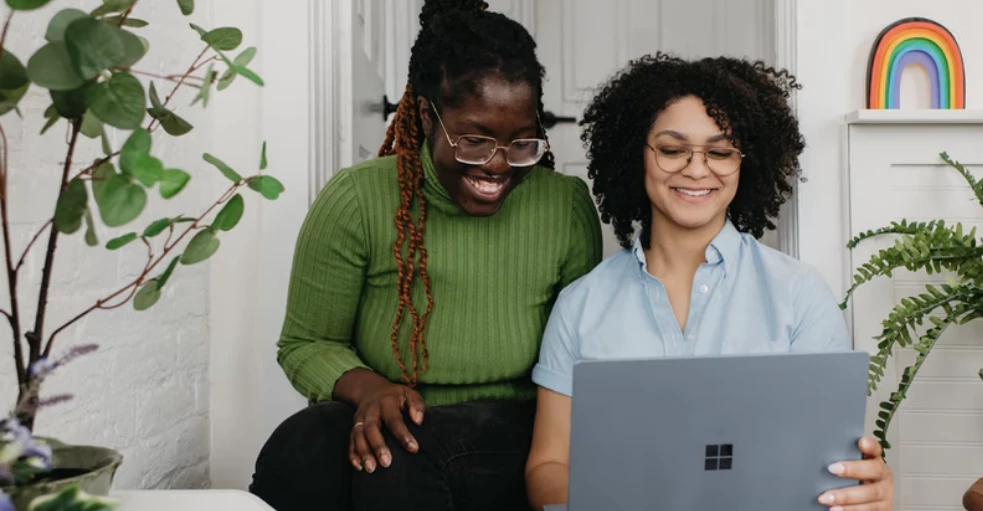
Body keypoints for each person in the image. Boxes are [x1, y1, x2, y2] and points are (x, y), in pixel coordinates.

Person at [248, 2, 602, 510]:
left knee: (401, 453)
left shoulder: (563, 206)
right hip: (388, 411)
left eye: (522, 143)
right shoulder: (358, 199)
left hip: (510, 429)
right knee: (303, 443)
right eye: (475, 141)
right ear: (424, 116)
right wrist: (371, 389)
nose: (498, 166)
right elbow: (307, 342)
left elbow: (579, 360)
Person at [523, 54, 895, 511]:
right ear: (635, 153)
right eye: (672, 149)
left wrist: (865, 491)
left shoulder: (800, 296)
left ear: (746, 163)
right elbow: (548, 465)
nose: (697, 170)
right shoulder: (580, 305)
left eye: (719, 152)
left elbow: (833, 466)